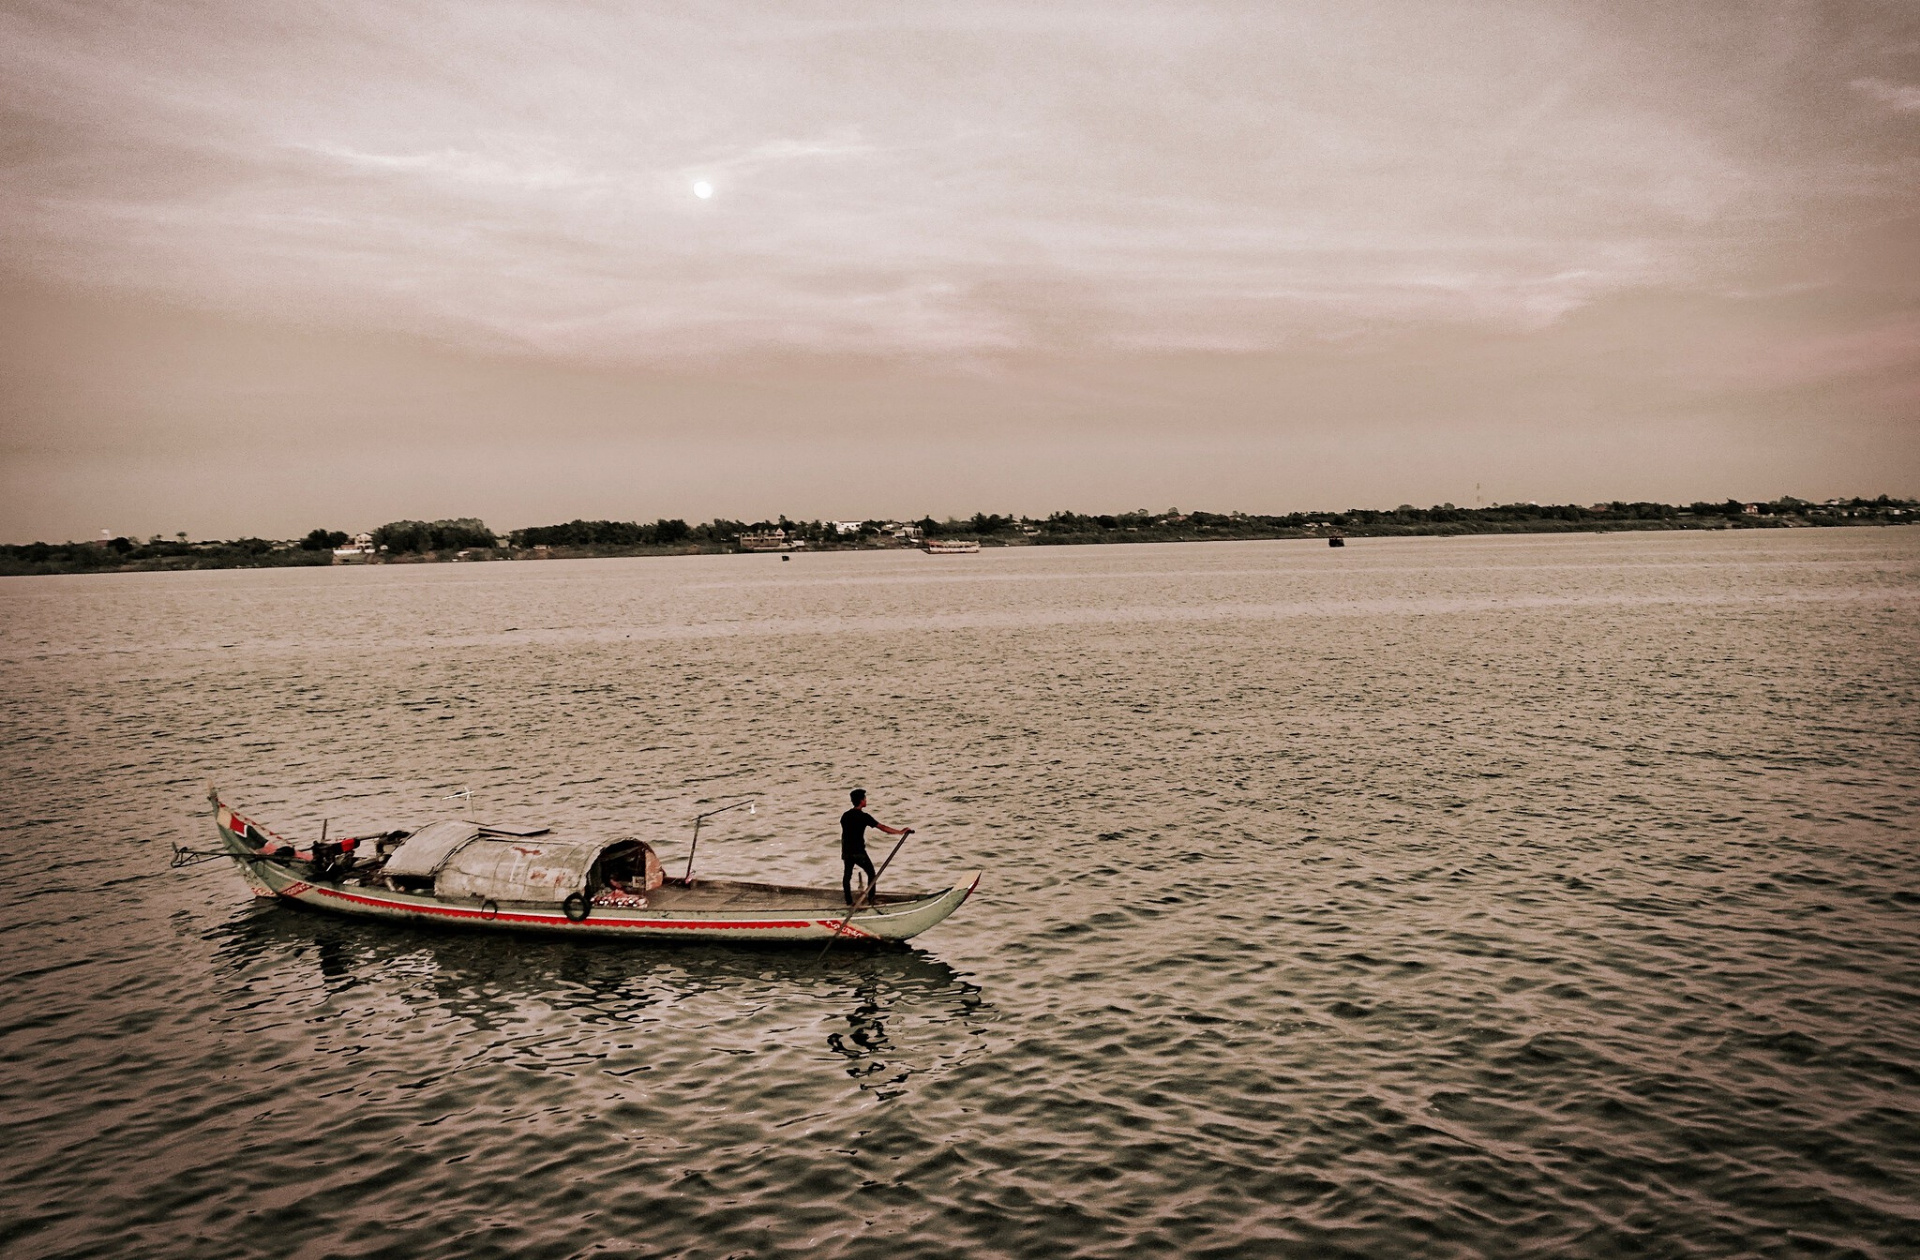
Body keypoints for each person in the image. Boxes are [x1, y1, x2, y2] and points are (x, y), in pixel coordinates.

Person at [840, 788, 911, 905]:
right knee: (872, 874)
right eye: (865, 798)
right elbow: (882, 827)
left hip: (846, 851)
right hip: (858, 852)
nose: (866, 800)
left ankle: (848, 901)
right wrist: (900, 832)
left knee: (847, 874)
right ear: (861, 800)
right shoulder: (864, 817)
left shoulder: (845, 816)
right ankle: (871, 899)